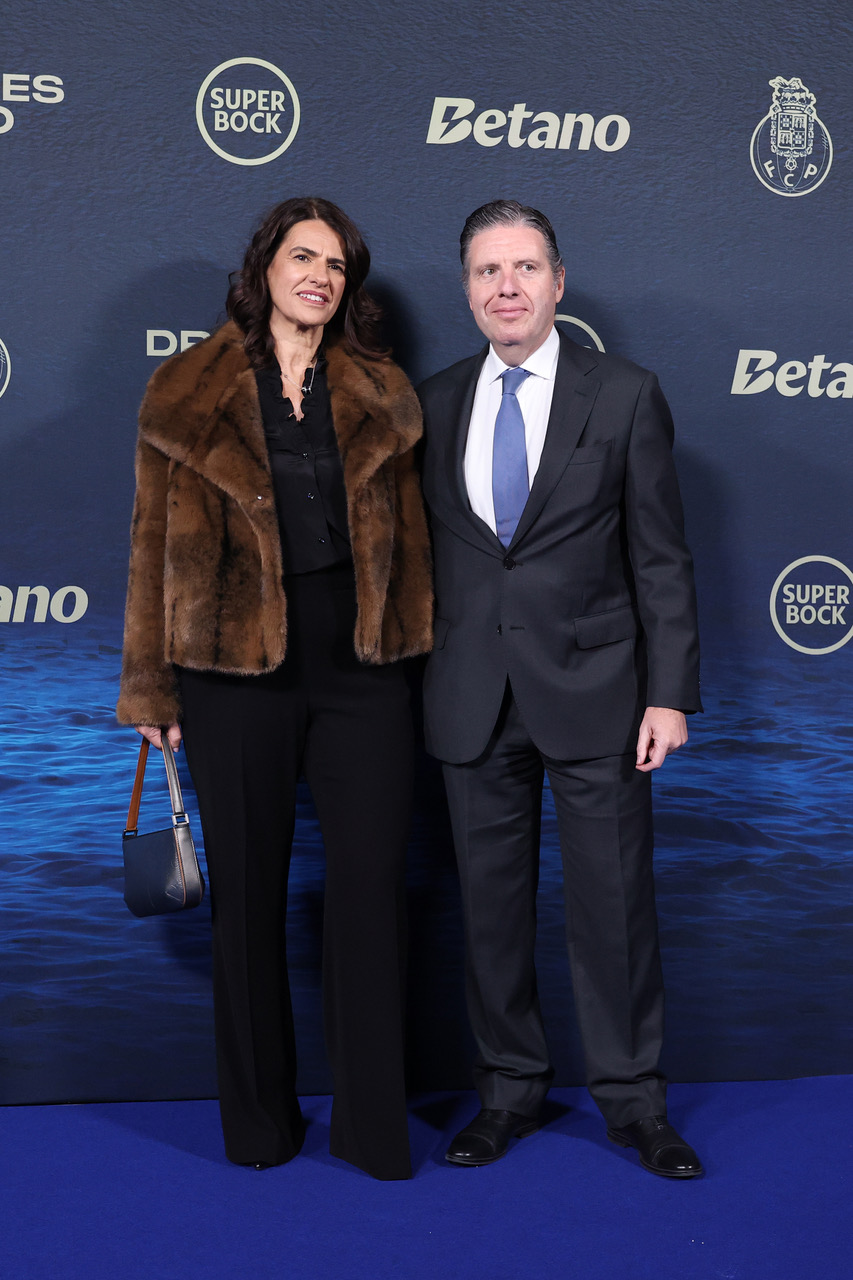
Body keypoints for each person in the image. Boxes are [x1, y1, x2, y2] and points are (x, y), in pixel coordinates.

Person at [117, 196, 433, 1181]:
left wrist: (420, 654)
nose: (318, 278)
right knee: (246, 899)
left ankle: (371, 1129)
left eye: (336, 266)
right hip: (230, 671)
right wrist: (150, 691)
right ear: (263, 269)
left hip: (363, 669)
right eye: (303, 257)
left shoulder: (382, 389)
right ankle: (259, 1125)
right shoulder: (184, 389)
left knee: (371, 894)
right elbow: (149, 545)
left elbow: (415, 549)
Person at [417, 200, 703, 1177]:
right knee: (489, 915)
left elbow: (660, 558)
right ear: (466, 289)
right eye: (487, 270)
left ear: (558, 282)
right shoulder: (434, 402)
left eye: (525, 267)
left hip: (599, 694)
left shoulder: (623, 393)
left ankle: (634, 1104)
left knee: (613, 911)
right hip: (469, 695)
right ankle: (508, 1091)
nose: (506, 286)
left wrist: (668, 694)